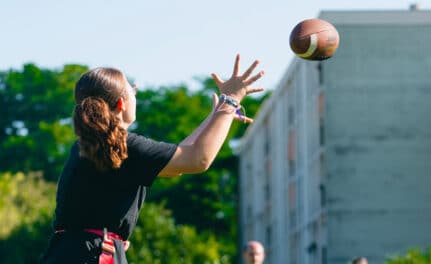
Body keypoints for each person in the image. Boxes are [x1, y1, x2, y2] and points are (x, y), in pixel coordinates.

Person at [40, 54, 264, 264]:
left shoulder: (92, 146)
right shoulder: (124, 146)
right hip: (93, 255)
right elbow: (198, 159)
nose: (136, 94)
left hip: (72, 253)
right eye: (133, 90)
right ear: (121, 103)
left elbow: (180, 160)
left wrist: (218, 115)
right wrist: (232, 100)